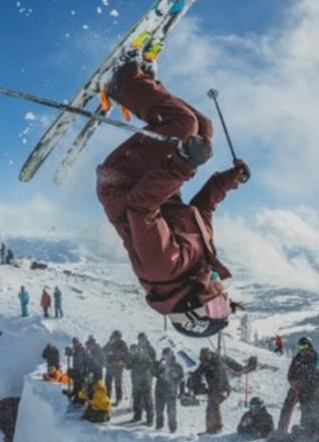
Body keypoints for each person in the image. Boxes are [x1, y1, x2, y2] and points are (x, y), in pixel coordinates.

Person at [95, 54, 250, 339]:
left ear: (192, 310)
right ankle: (141, 84)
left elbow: (141, 207)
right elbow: (201, 211)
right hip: (152, 182)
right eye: (225, 306)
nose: (223, 297)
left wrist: (184, 164)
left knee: (182, 125)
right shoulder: (198, 268)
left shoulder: (164, 270)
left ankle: (122, 83)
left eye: (215, 308)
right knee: (202, 129)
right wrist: (227, 181)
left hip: (125, 180)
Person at [278, 336, 319, 434]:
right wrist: (293, 383)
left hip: (308, 389)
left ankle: (305, 432)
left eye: (304, 346)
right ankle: (281, 431)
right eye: (300, 346)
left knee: (306, 411)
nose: (302, 349)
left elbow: (315, 375)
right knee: (287, 408)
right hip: (295, 387)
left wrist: (306, 384)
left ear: (309, 346)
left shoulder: (315, 358)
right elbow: (290, 373)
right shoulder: (297, 358)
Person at [193, 347, 231, 434]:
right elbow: (197, 373)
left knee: (213, 405)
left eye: (205, 359)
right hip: (213, 389)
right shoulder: (204, 363)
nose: (203, 362)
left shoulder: (217, 365)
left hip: (223, 389)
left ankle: (215, 428)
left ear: (209, 357)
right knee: (211, 407)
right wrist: (197, 384)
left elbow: (219, 381)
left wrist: (208, 391)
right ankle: (212, 428)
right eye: (201, 359)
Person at [154, 347, 184, 433]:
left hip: (171, 391)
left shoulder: (177, 366)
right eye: (164, 355)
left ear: (171, 355)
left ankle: (172, 428)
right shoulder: (160, 363)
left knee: (171, 411)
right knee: (159, 409)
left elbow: (182, 380)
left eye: (167, 354)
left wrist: (181, 392)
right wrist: (158, 367)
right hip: (159, 390)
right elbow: (153, 373)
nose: (166, 356)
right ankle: (159, 426)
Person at [127, 337, 156, 424]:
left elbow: (151, 364)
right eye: (139, 339)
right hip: (136, 380)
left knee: (147, 400)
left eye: (142, 339)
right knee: (136, 400)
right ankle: (137, 416)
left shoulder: (148, 353)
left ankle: (150, 419)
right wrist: (130, 359)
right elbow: (127, 366)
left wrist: (138, 365)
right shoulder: (133, 354)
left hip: (145, 380)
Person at [103, 330, 129, 405]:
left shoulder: (122, 344)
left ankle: (119, 398)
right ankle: (107, 397)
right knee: (107, 383)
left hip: (118, 367)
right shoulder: (110, 343)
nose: (116, 338)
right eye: (115, 336)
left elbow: (127, 354)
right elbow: (103, 351)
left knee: (118, 383)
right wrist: (109, 344)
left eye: (117, 337)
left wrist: (123, 361)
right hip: (110, 366)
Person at [64, 337, 87, 403]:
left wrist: (84, 368)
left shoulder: (82, 349)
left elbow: (86, 359)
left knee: (80, 385)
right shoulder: (75, 349)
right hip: (76, 369)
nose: (75, 344)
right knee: (76, 384)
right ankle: (76, 397)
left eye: (76, 342)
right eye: (74, 343)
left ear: (78, 342)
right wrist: (68, 351)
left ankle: (80, 399)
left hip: (81, 369)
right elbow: (69, 353)